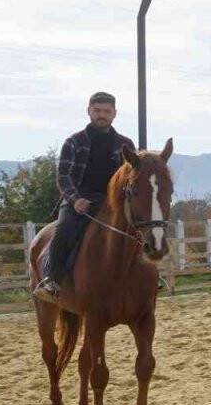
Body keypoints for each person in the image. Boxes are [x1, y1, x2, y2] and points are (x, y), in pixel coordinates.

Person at [33, 92, 136, 302]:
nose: (102, 115)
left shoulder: (125, 144)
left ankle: (151, 277)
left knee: (141, 230)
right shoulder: (74, 142)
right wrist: (75, 199)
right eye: (97, 110)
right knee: (63, 232)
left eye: (107, 111)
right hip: (79, 201)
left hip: (112, 203)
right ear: (88, 111)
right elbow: (63, 177)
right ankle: (52, 281)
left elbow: (134, 176)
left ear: (114, 114)